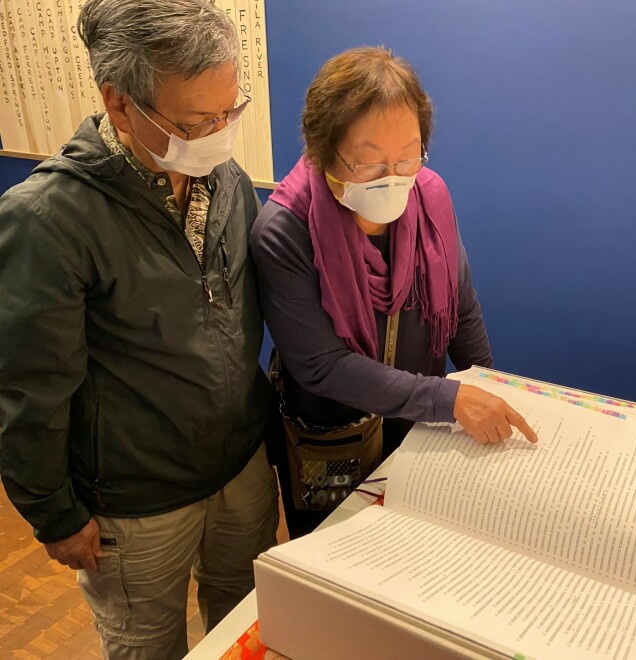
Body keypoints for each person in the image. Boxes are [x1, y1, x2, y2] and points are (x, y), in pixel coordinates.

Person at [0, 1, 278, 658]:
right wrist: (54, 514)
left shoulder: (228, 180)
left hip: (238, 467)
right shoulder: (49, 219)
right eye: (193, 122)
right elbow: (28, 389)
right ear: (118, 104)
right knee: (144, 645)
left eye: (227, 113)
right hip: (135, 499)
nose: (216, 133)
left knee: (247, 628)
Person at [251, 46, 537, 536]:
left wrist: (486, 386)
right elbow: (321, 365)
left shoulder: (429, 197)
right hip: (331, 441)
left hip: (416, 427)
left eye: (408, 157)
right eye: (369, 164)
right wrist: (450, 399)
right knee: (334, 560)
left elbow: (460, 307)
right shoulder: (285, 229)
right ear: (324, 151)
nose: (394, 178)